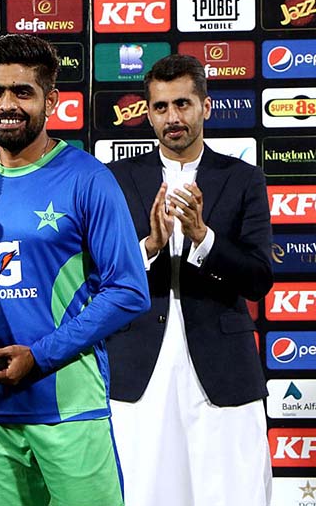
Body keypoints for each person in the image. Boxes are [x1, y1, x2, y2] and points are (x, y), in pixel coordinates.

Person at [0, 34, 150, 506]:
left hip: (67, 405)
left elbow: (129, 290)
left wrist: (40, 355)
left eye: (22, 92)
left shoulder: (87, 177)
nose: (6, 105)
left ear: (51, 100)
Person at [106, 54, 273, 506]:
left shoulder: (242, 179)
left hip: (223, 370)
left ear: (206, 106)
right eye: (160, 107)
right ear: (148, 112)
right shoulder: (116, 179)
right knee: (141, 493)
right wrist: (150, 249)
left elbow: (259, 278)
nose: (172, 118)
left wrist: (204, 239)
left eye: (182, 104)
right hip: (138, 369)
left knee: (232, 494)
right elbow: (98, 276)